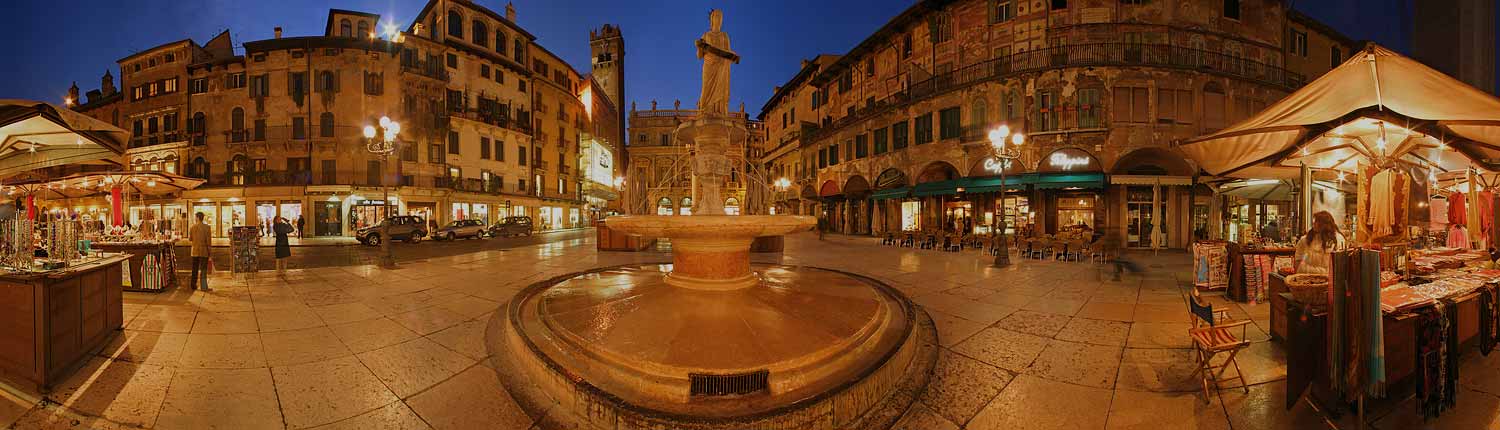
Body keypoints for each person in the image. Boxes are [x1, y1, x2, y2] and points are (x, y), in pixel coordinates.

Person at [189, 212, 212, 291]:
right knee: (203, 269)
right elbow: (208, 241)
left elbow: (190, 239)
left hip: (195, 251)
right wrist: (210, 252)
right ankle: (204, 286)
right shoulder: (207, 227)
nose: (195, 219)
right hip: (204, 251)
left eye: (195, 217)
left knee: (194, 268)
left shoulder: (192, 227)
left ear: (198, 217)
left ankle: (193, 285)